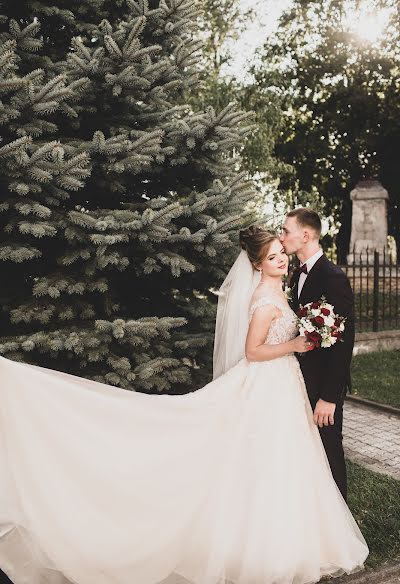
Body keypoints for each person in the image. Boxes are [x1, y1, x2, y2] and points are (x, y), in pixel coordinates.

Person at [0, 227, 368, 584]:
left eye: (282, 255)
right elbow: (253, 352)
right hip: (267, 384)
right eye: (273, 258)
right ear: (257, 264)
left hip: (283, 385)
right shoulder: (264, 302)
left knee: (286, 460)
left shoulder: (279, 293)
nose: (281, 261)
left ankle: (298, 541)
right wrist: (293, 346)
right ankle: (268, 549)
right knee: (265, 462)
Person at [280, 208, 354, 501]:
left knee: (329, 449)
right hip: (298, 378)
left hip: (323, 385)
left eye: (286, 230)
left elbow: (343, 342)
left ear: (306, 235)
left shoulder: (332, 277)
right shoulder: (295, 273)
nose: (281, 236)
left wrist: (329, 397)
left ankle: (340, 521)